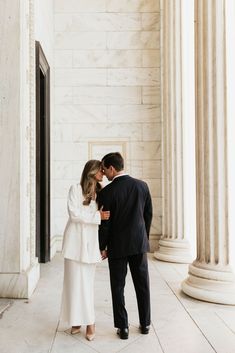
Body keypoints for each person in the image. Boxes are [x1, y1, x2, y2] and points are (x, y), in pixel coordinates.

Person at [97, 152, 153, 340]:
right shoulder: (142, 186)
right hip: (138, 244)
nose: (103, 173)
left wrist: (102, 246)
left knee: (118, 287)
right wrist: (144, 239)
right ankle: (145, 324)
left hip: (117, 247)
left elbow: (105, 224)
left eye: (104, 169)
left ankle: (123, 328)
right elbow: (148, 215)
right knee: (142, 285)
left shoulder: (106, 192)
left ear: (112, 168)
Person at [60, 160, 110, 341]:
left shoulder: (102, 193)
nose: (103, 174)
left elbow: (106, 219)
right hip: (74, 244)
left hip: (90, 244)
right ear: (92, 172)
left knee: (87, 285)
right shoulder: (75, 189)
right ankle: (75, 321)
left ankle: (90, 322)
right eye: (100, 171)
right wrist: (97, 216)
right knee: (73, 284)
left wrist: (104, 246)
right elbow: (74, 215)